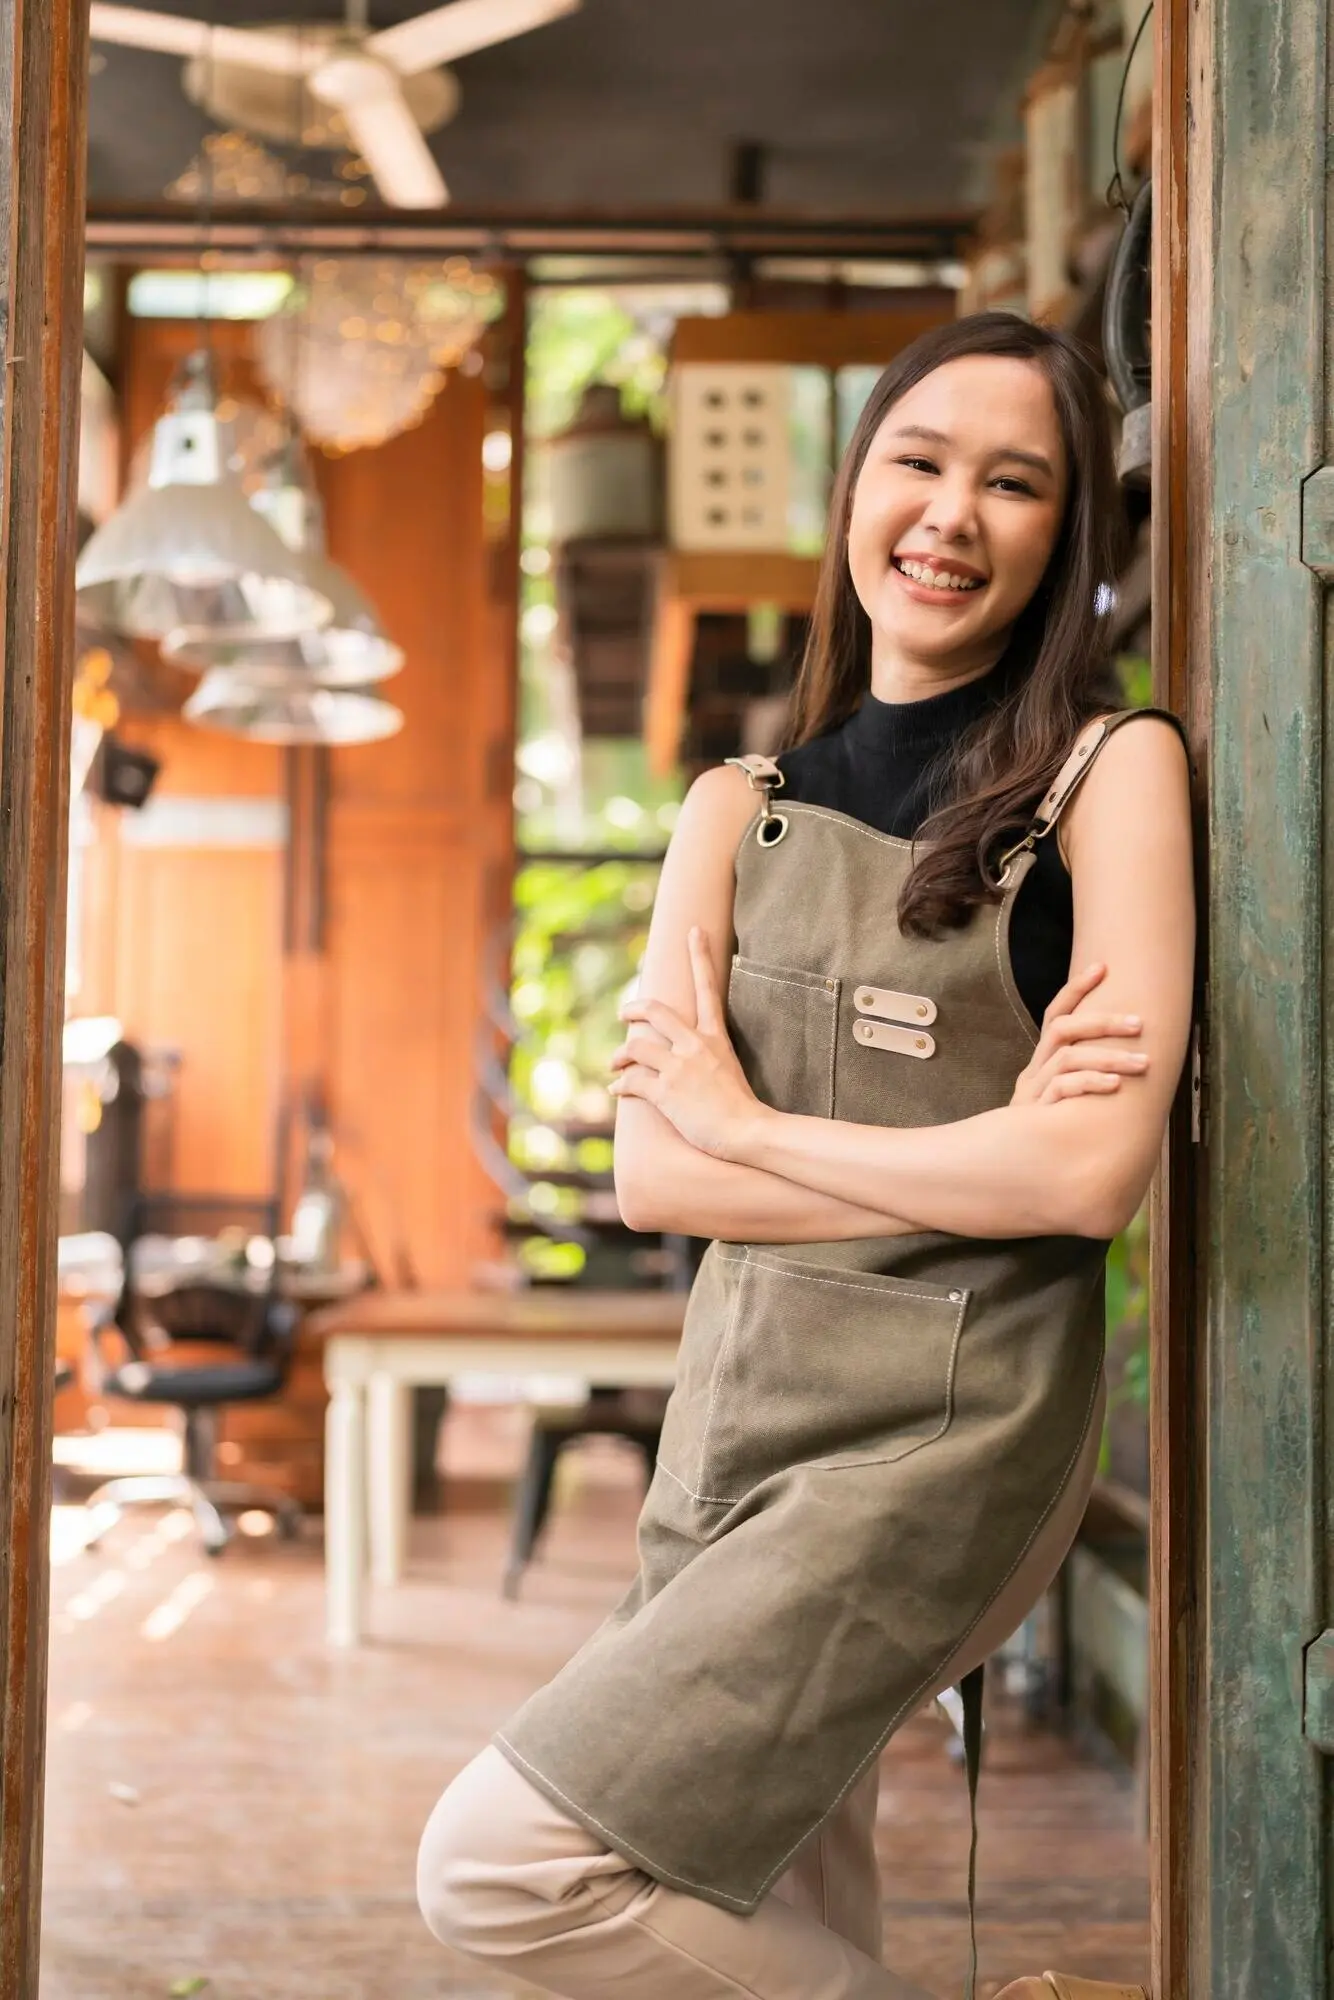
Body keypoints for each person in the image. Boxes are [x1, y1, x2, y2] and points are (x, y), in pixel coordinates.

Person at [416, 311, 1194, 2000]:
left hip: (949, 1431)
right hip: (739, 1406)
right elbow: (655, 1182)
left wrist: (753, 1123)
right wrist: (968, 1146)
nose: (949, 514)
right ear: (854, 490)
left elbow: (1080, 1188)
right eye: (917, 462)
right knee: (759, 1871)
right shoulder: (732, 802)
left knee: (502, 1866)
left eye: (1013, 483)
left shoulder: (1108, 777)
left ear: (1064, 537)